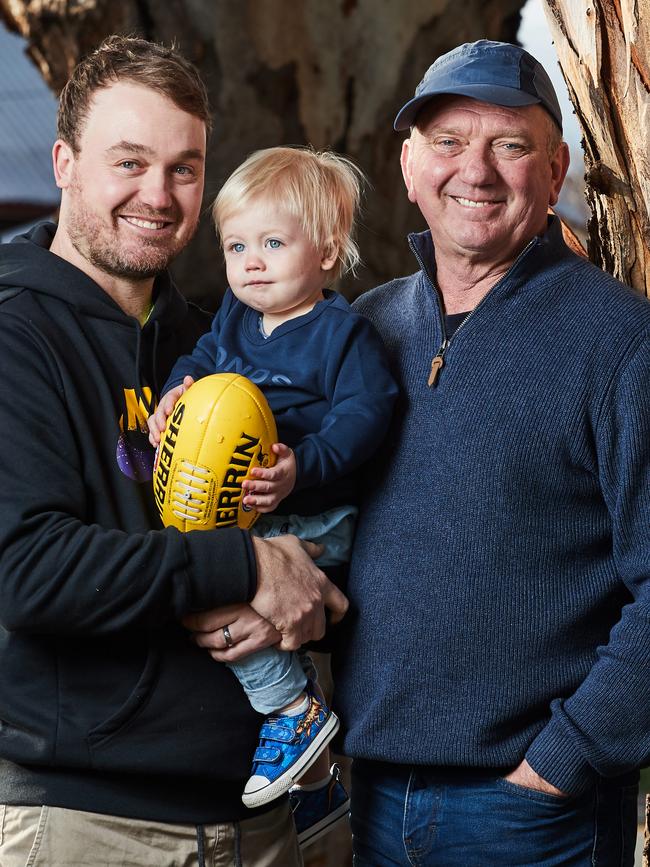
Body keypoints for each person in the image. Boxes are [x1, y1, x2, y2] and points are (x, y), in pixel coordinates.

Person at [0, 35, 348, 867]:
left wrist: (314, 582)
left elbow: (300, 522)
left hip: (255, 820)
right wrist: (249, 568)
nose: (157, 194)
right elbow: (29, 571)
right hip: (91, 824)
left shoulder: (218, 346)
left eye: (183, 168)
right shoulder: (17, 336)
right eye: (129, 162)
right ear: (65, 163)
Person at [333, 39, 650, 866]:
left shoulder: (620, 342)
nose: (474, 170)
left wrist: (561, 761)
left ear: (555, 171)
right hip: (368, 797)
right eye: (447, 142)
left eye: (509, 144)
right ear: (408, 164)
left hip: (532, 818)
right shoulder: (363, 329)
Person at [148, 145, 397, 844]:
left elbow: (367, 414)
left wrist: (303, 465)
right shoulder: (233, 317)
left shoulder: (341, 335)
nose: (251, 260)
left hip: (318, 514)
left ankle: (293, 709)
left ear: (326, 251)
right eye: (236, 245)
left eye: (272, 242)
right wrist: (176, 396)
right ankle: (318, 788)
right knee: (197, 581)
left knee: (222, 596)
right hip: (255, 509)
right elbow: (200, 363)